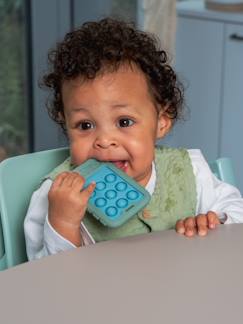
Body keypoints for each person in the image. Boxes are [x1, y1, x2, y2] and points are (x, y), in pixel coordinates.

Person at [24, 18, 243, 260]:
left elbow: (236, 214)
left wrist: (214, 223)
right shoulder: (53, 196)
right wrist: (62, 224)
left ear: (161, 121)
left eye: (124, 122)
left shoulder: (190, 171)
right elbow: (46, 282)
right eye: (85, 125)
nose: (105, 140)